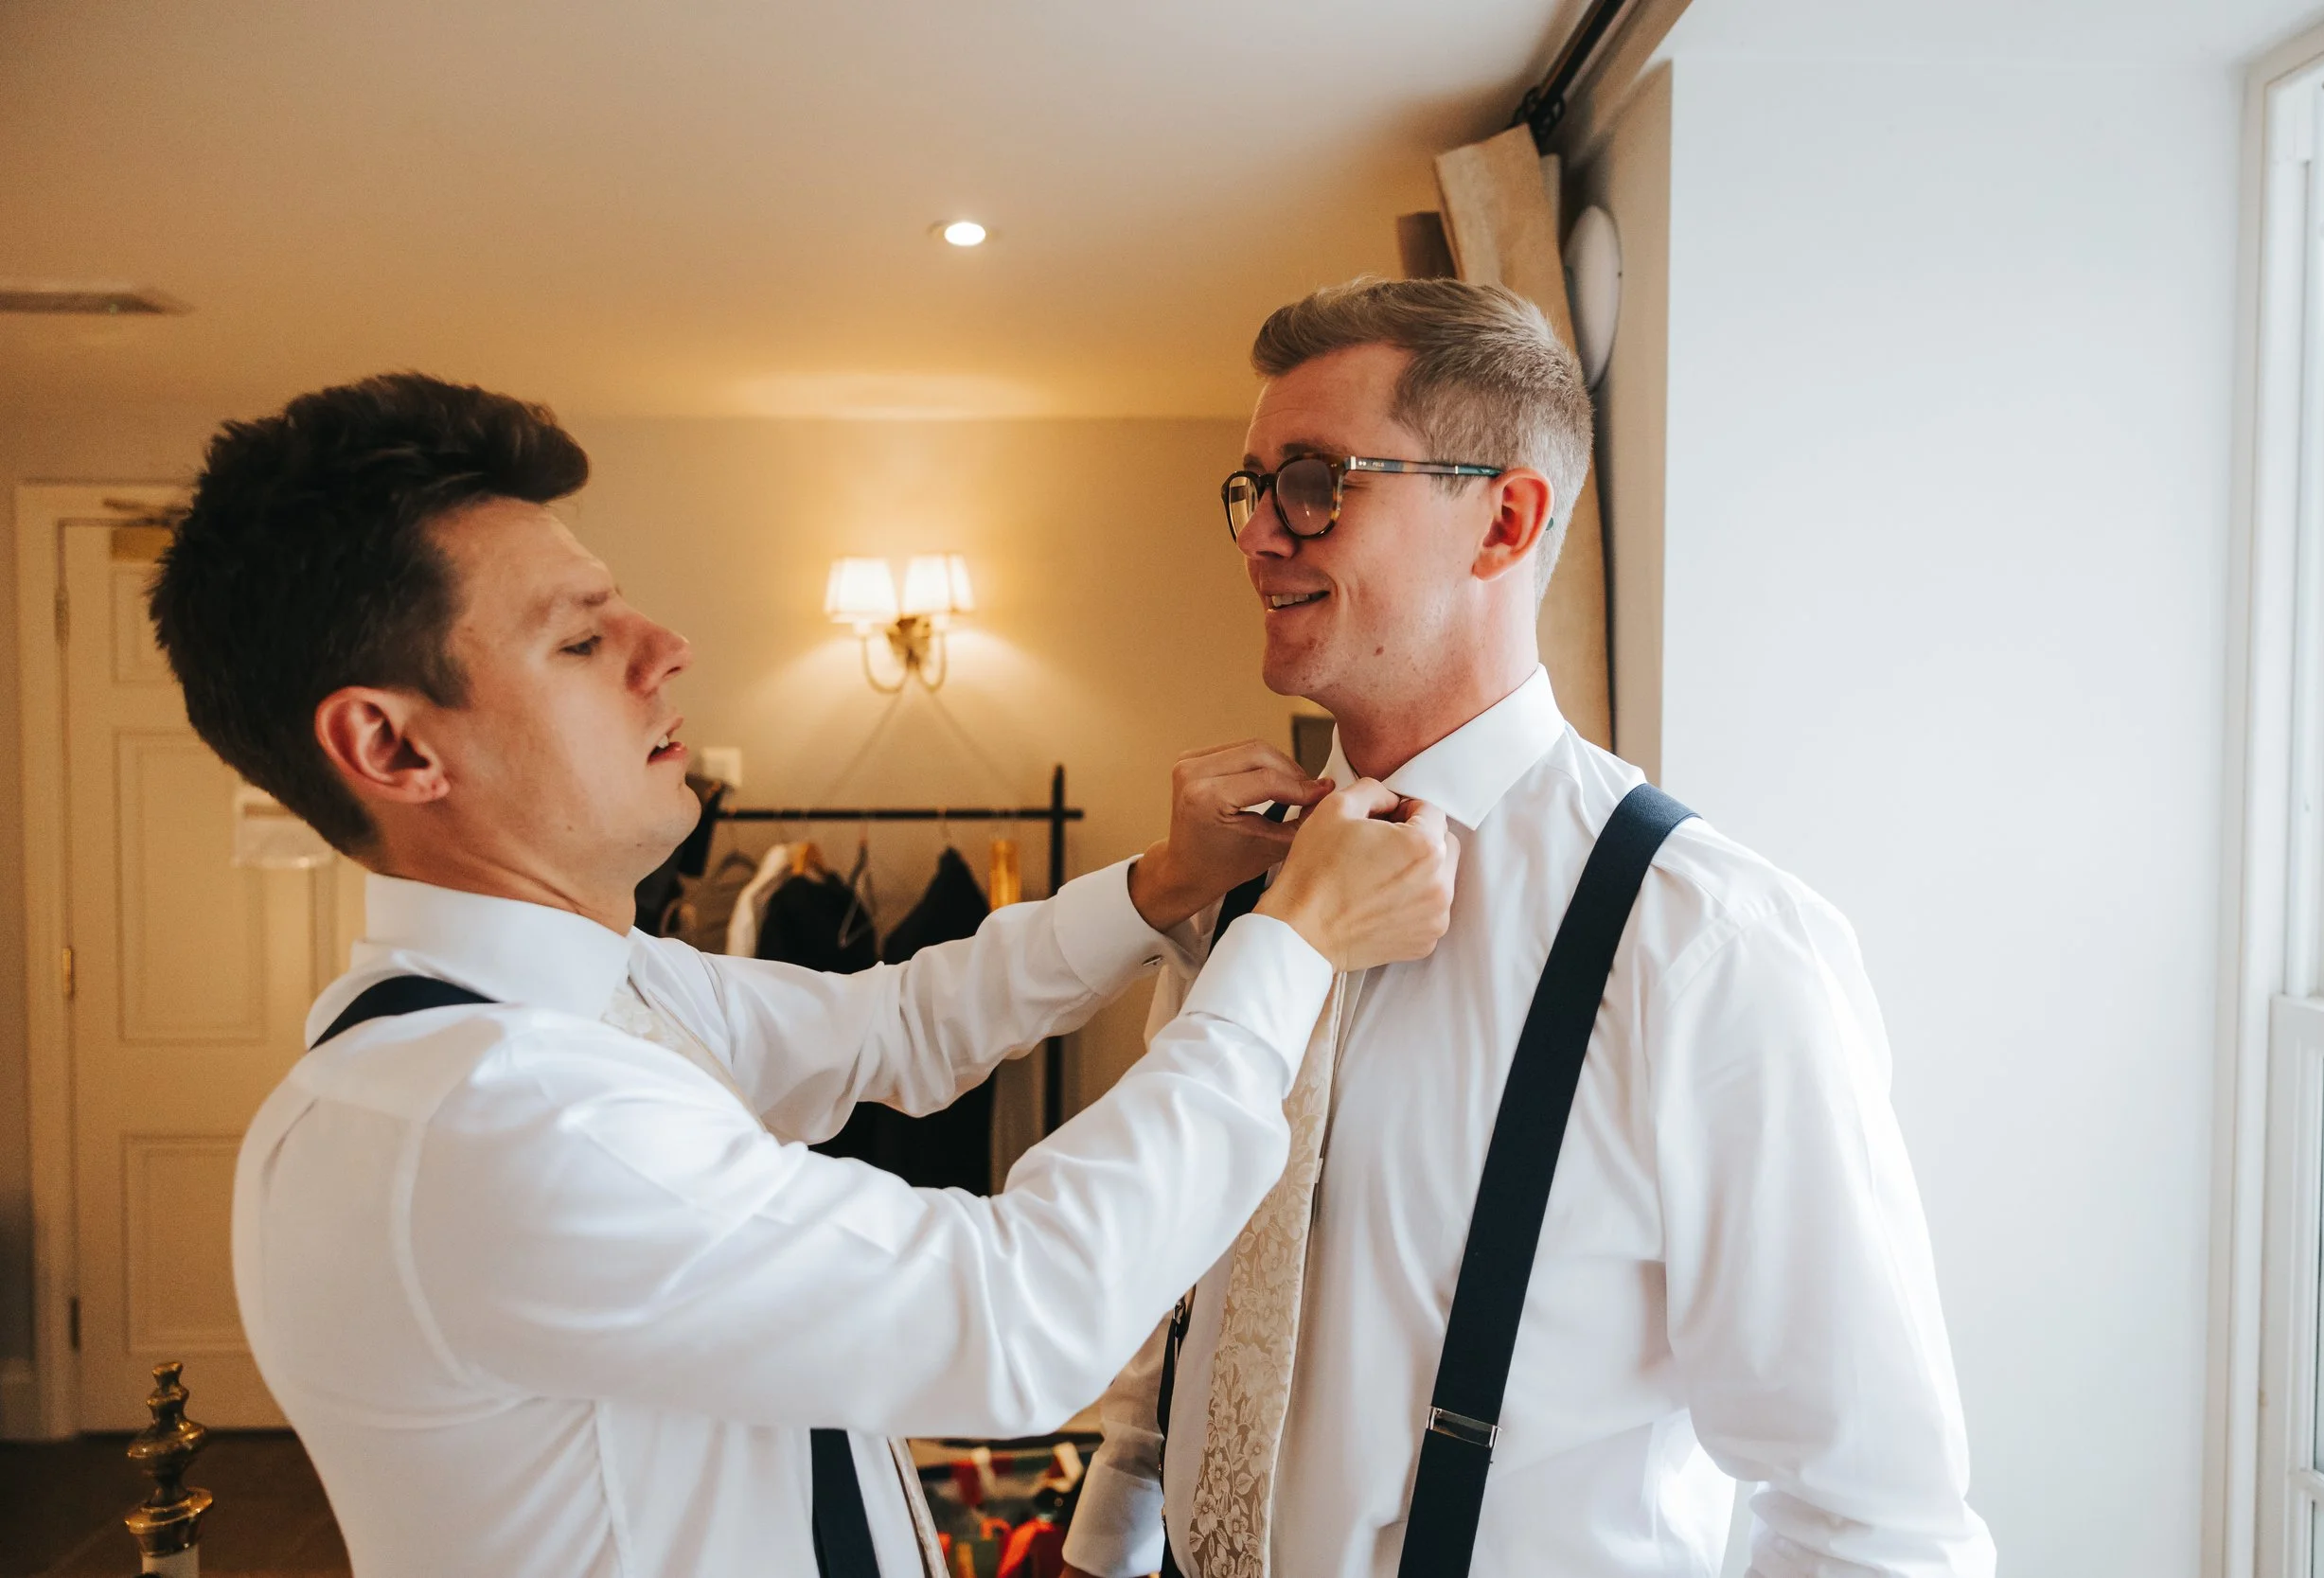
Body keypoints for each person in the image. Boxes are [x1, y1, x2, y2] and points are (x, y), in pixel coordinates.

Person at [149, 372, 1460, 1578]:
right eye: (577, 639)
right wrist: (1292, 948)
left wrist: (1162, 886)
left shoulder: (596, 997)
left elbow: (894, 1022)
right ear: (390, 743)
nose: (665, 648)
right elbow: (1019, 1309)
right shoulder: (492, 1119)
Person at [1060, 279, 1996, 1578]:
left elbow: (1872, 1518)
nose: (1263, 534)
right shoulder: (1247, 883)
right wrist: (1107, 1535)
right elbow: (1189, 1279)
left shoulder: (1707, 946)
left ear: (1503, 520)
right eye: (1256, 484)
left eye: (1319, 480)